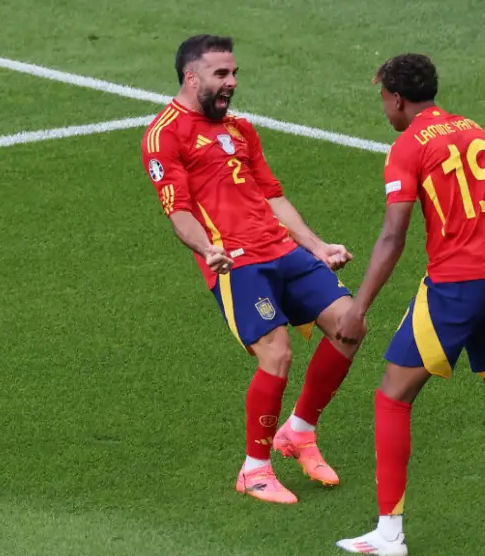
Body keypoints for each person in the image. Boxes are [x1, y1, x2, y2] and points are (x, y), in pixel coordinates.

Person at [333, 54, 485, 554]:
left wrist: (358, 307)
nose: (384, 110)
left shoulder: (408, 147)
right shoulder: (481, 135)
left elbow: (393, 237)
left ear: (396, 98)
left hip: (454, 286)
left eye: (383, 100)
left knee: (392, 396)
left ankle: (389, 534)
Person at [140, 34, 364, 505]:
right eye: (222, 75)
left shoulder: (241, 129)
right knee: (277, 355)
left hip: (282, 250)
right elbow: (177, 209)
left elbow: (273, 196)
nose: (232, 83)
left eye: (234, 73)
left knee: (349, 324)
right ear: (191, 76)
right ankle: (255, 468)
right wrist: (206, 249)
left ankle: (299, 432)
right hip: (235, 261)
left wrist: (318, 246)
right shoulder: (165, 135)